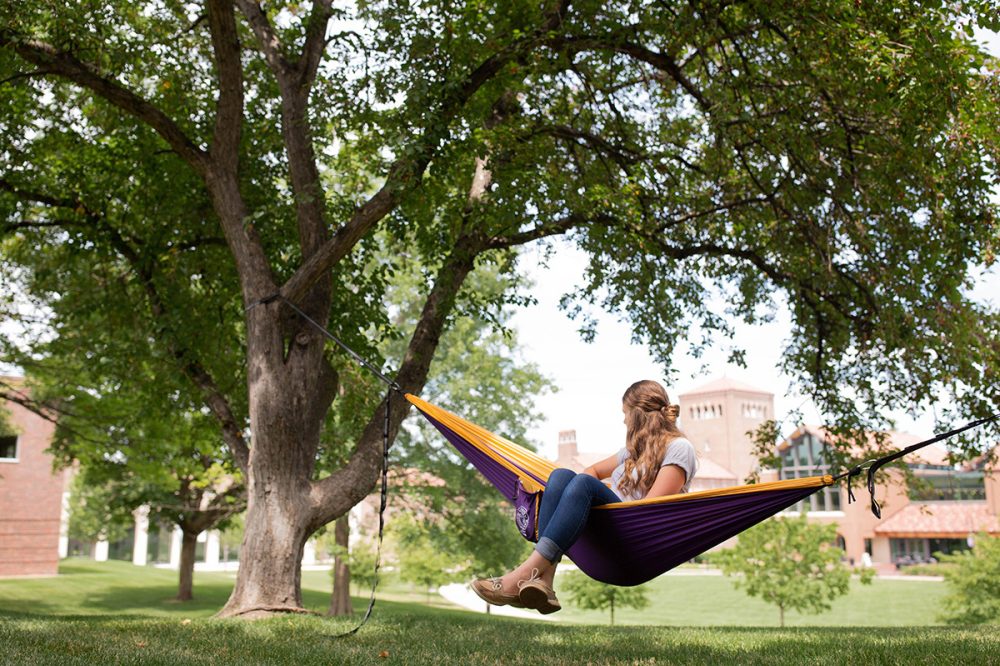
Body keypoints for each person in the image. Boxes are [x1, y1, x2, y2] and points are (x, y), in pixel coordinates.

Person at [471, 379, 697, 614]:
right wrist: (609, 486)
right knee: (559, 476)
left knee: (584, 484)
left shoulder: (680, 448)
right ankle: (544, 581)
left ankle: (523, 574)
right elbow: (593, 471)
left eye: (626, 413)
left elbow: (649, 511)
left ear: (638, 414)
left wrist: (608, 488)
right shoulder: (634, 451)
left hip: (632, 535)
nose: (624, 420)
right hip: (605, 525)